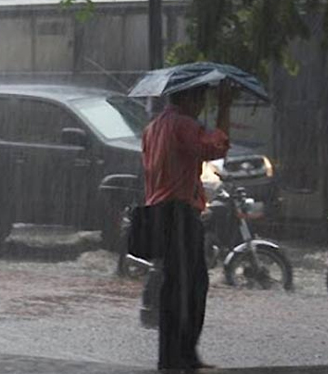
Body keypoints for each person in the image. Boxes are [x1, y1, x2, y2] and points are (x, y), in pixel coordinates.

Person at [141, 83, 234, 371]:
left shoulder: (153, 127)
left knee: (175, 285)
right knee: (192, 286)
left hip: (158, 211)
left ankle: (171, 356)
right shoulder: (183, 125)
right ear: (189, 98)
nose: (202, 105)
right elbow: (215, 149)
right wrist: (225, 108)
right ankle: (184, 354)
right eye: (201, 98)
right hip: (179, 213)